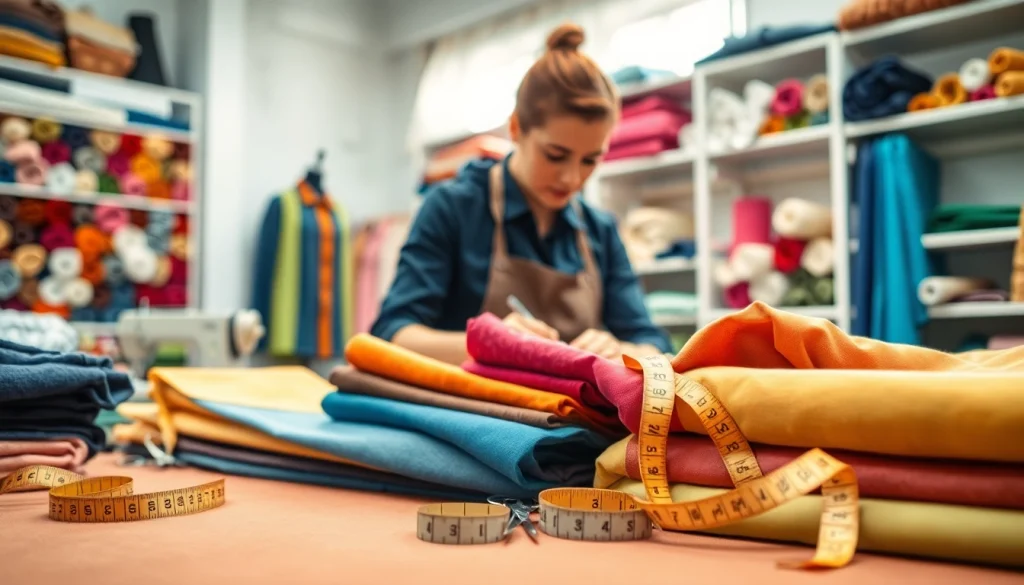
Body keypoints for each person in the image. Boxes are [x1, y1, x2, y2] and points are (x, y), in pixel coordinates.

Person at [370, 22, 673, 366]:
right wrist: (486, 343)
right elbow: (392, 333)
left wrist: (624, 350)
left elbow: (653, 342)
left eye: (590, 160)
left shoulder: (600, 230)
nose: (572, 178)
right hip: (468, 413)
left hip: (567, 417)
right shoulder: (452, 208)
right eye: (555, 155)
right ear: (515, 128)